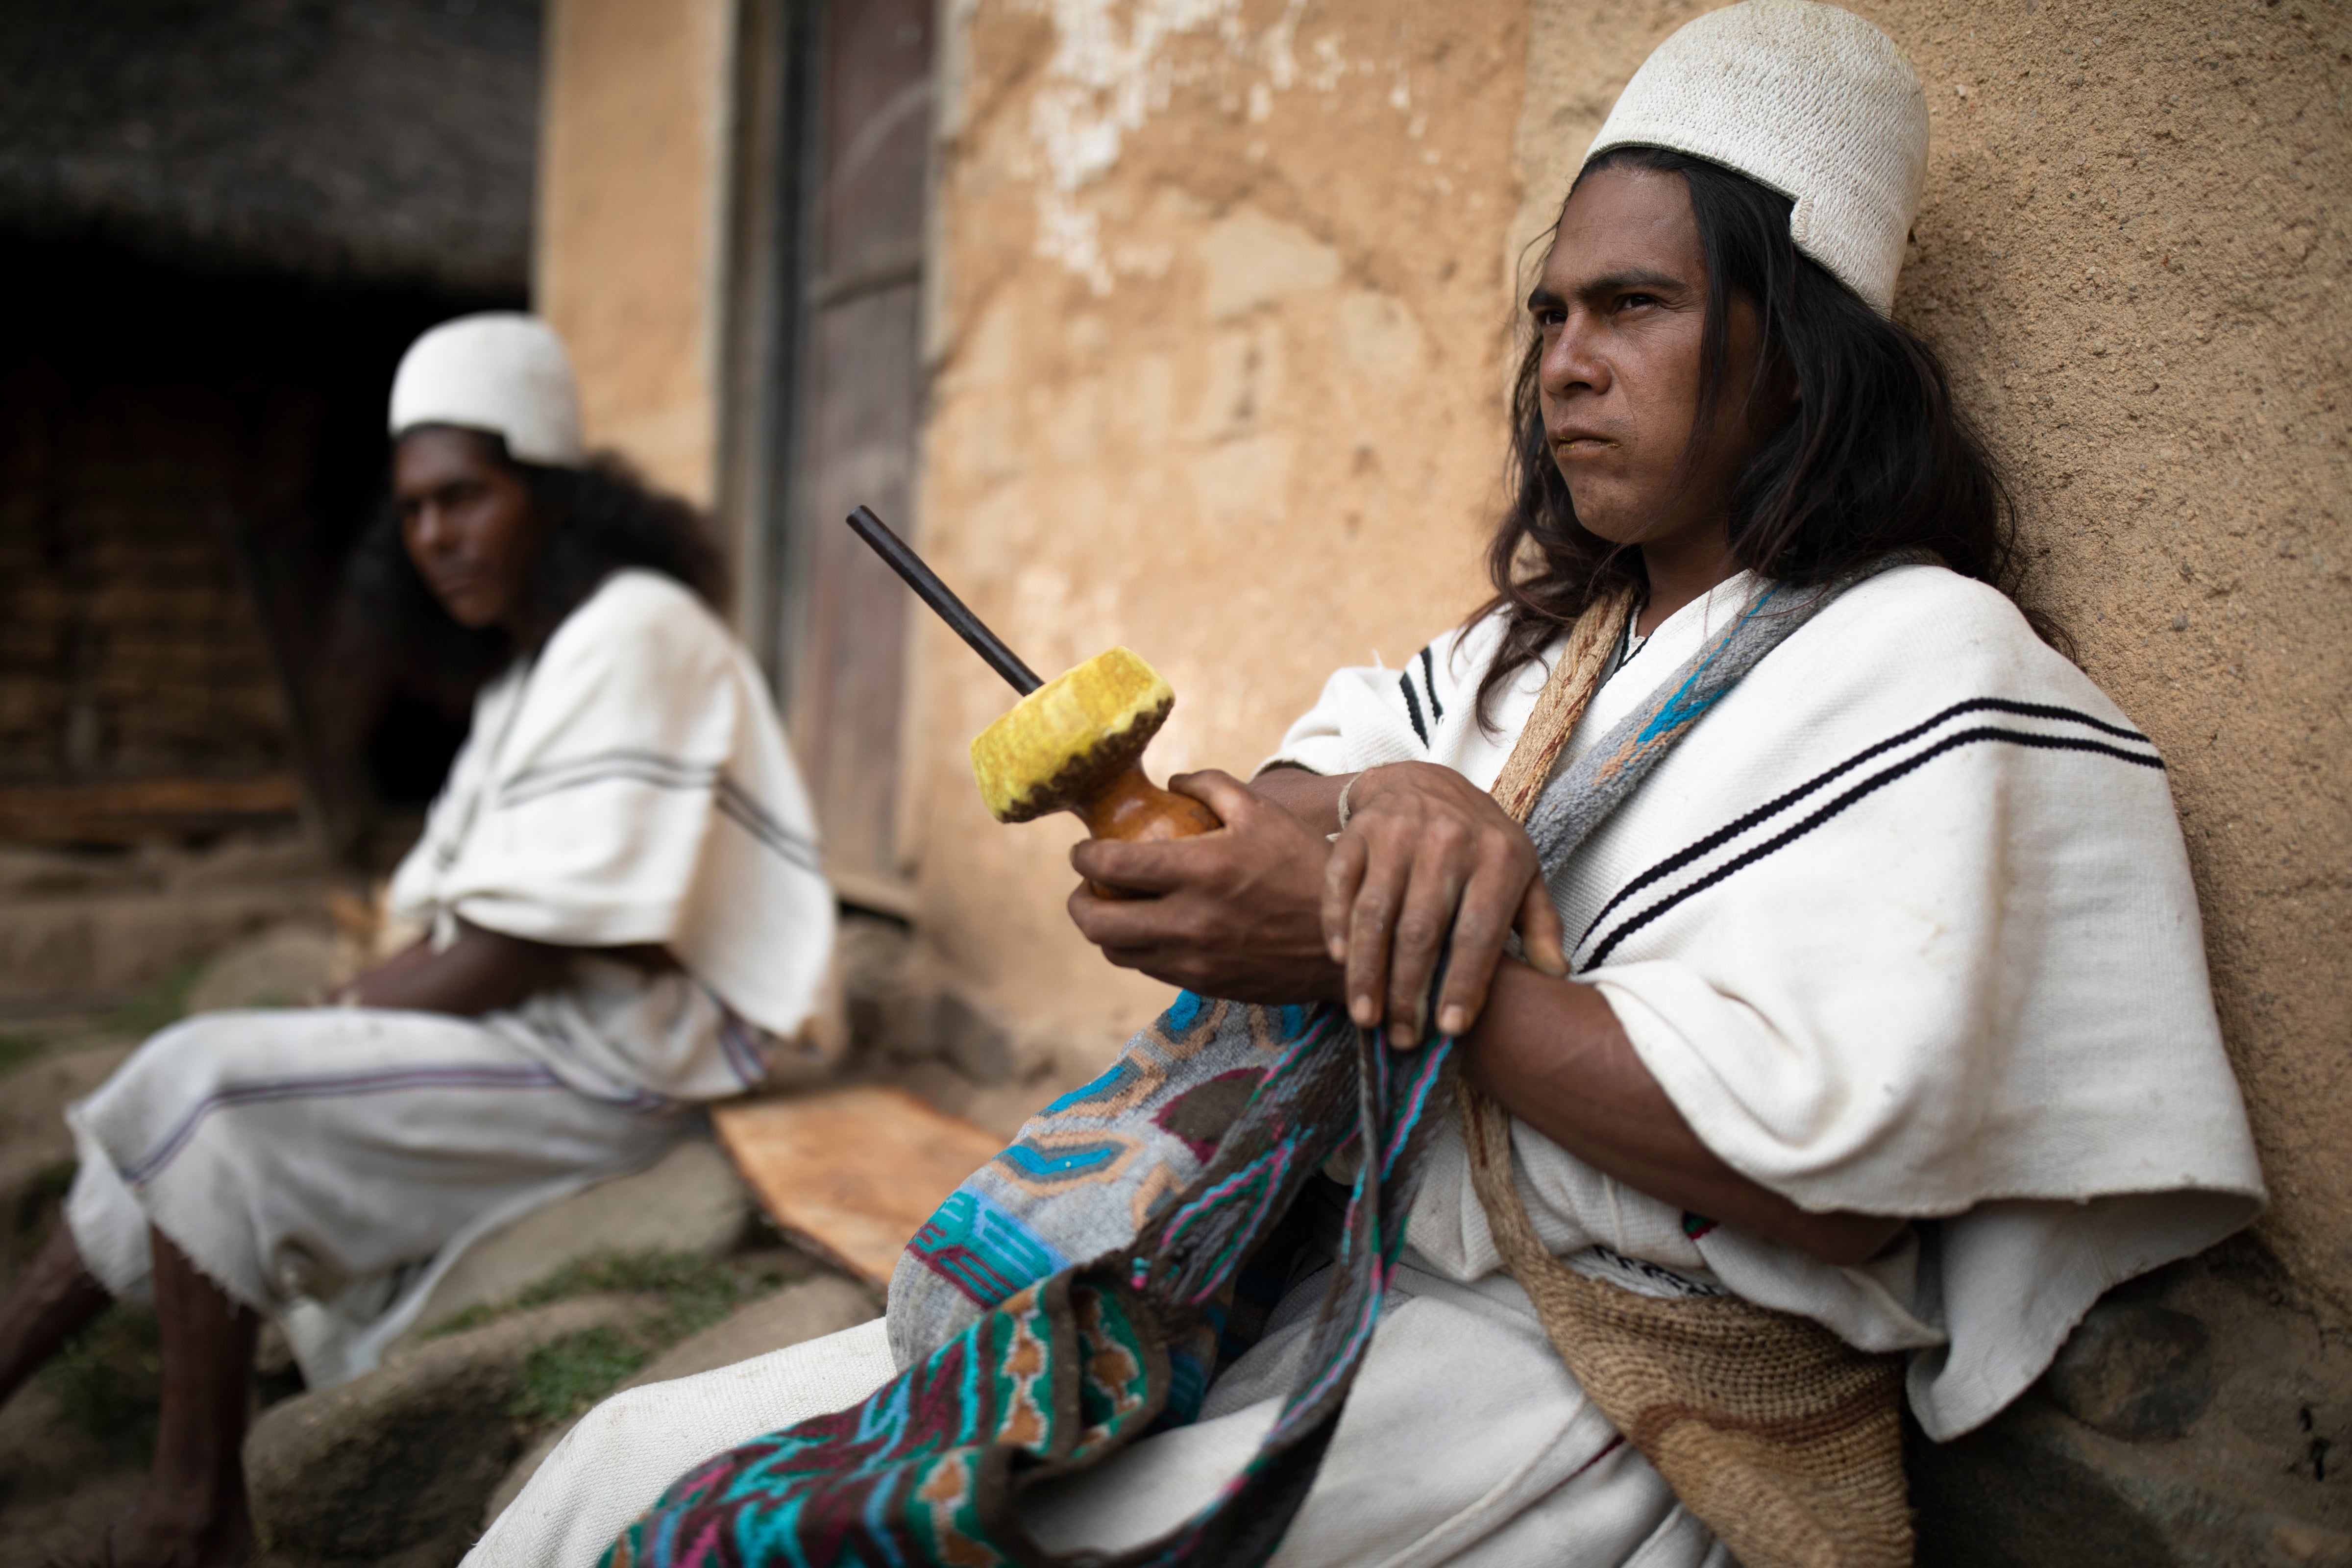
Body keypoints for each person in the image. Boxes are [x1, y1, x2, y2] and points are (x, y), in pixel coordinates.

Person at [466, 6, 2262, 1565]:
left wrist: (1357, 948)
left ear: (1797, 345)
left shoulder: (1924, 664)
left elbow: (1839, 1183)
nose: (1565, 361)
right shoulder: (1527, 659)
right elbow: (1288, 791)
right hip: (1308, 1268)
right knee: (630, 1454)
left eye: (1632, 306)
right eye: (1550, 312)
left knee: (901, 1535)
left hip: (1587, 1389)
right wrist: (1393, 802)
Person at [0, 313, 835, 1568]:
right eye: (416, 509)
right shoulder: (523, 679)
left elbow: (516, 950)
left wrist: (322, 1027)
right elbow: (461, 927)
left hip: (620, 1067)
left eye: (467, 497)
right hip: (528, 1035)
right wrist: (342, 1017)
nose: (436, 535)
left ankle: (191, 1508)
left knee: (204, 1075)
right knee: (194, 1090)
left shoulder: (640, 629)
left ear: (551, 495)